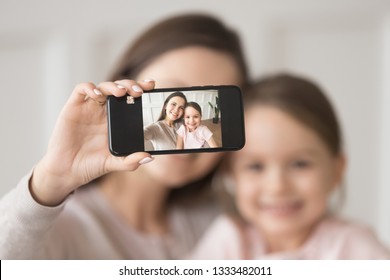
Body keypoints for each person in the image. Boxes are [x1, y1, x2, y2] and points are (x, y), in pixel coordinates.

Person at [0, 13, 249, 259]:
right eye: (173, 92)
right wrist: (51, 179)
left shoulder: (224, 223)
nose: (184, 115)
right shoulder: (64, 227)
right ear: (130, 84)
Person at [190, 73, 390, 259]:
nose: (278, 186)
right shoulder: (229, 239)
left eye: (300, 164)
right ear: (231, 173)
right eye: (256, 166)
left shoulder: (354, 247)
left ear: (336, 170)